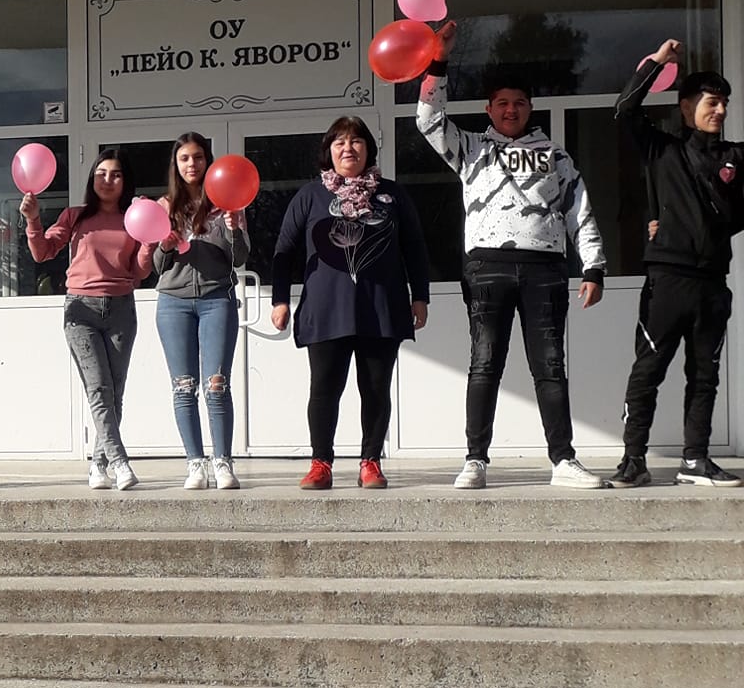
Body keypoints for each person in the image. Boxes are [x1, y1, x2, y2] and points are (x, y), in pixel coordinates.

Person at [418, 35, 608, 490]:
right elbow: (427, 120)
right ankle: (475, 459)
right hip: (487, 269)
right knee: (485, 363)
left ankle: (563, 460)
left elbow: (579, 209)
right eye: (502, 103)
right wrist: (438, 61)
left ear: (530, 108)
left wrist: (594, 266)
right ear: (489, 109)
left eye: (519, 103)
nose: (510, 110)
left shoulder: (554, 155)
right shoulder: (470, 149)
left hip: (545, 270)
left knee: (550, 366)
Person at [270, 116, 431, 490]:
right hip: (326, 309)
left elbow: (415, 247)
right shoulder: (311, 195)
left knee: (375, 389)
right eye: (339, 142)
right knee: (324, 390)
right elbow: (284, 250)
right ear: (328, 151)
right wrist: (279, 300)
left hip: (381, 307)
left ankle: (370, 462)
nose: (348, 148)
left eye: (356, 141)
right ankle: (320, 464)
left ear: (368, 149)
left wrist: (420, 295)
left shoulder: (391, 194)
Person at [612, 39, 744, 487]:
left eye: (724, 103)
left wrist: (709, 227)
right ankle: (633, 459)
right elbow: (625, 110)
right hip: (667, 281)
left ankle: (695, 460)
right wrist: (657, 62)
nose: (720, 110)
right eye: (711, 102)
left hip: (713, 283)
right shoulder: (662, 149)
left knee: (705, 376)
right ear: (687, 107)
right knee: (648, 370)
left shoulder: (735, 158)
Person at [23, 150, 156, 490]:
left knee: (115, 393)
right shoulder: (75, 216)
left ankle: (99, 464)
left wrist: (147, 243)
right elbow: (42, 252)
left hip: (121, 308)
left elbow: (139, 272)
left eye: (115, 174)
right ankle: (120, 462)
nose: (107, 180)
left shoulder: (133, 218)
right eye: (101, 173)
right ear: (92, 178)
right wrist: (33, 220)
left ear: (125, 181)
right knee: (98, 389)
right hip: (81, 311)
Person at [151, 132, 248, 490]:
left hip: (216, 300)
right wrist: (164, 246)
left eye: (198, 157)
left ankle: (223, 461)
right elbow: (156, 267)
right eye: (184, 158)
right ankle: (195, 463)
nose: (192, 164)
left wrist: (234, 230)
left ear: (208, 161)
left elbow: (240, 258)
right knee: (183, 386)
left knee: (216, 385)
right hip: (173, 304)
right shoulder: (164, 206)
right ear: (176, 165)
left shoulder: (228, 201)